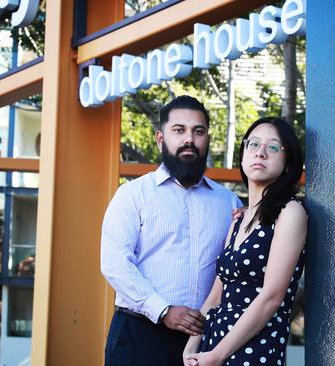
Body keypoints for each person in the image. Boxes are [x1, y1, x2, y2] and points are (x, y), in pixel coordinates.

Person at [101, 95, 243, 366]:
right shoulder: (132, 195)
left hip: (205, 340)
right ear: (160, 139)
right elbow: (115, 265)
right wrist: (163, 310)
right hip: (139, 336)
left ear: (207, 140)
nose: (189, 139)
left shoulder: (229, 203)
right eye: (179, 130)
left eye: (198, 131)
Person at [183, 117, 307, 366]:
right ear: (243, 155)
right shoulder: (238, 219)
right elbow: (216, 296)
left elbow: (272, 296)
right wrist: (192, 346)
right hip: (212, 346)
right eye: (253, 144)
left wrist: (218, 355)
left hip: (254, 351)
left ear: (287, 164)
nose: (260, 152)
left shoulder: (291, 212)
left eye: (272, 147)